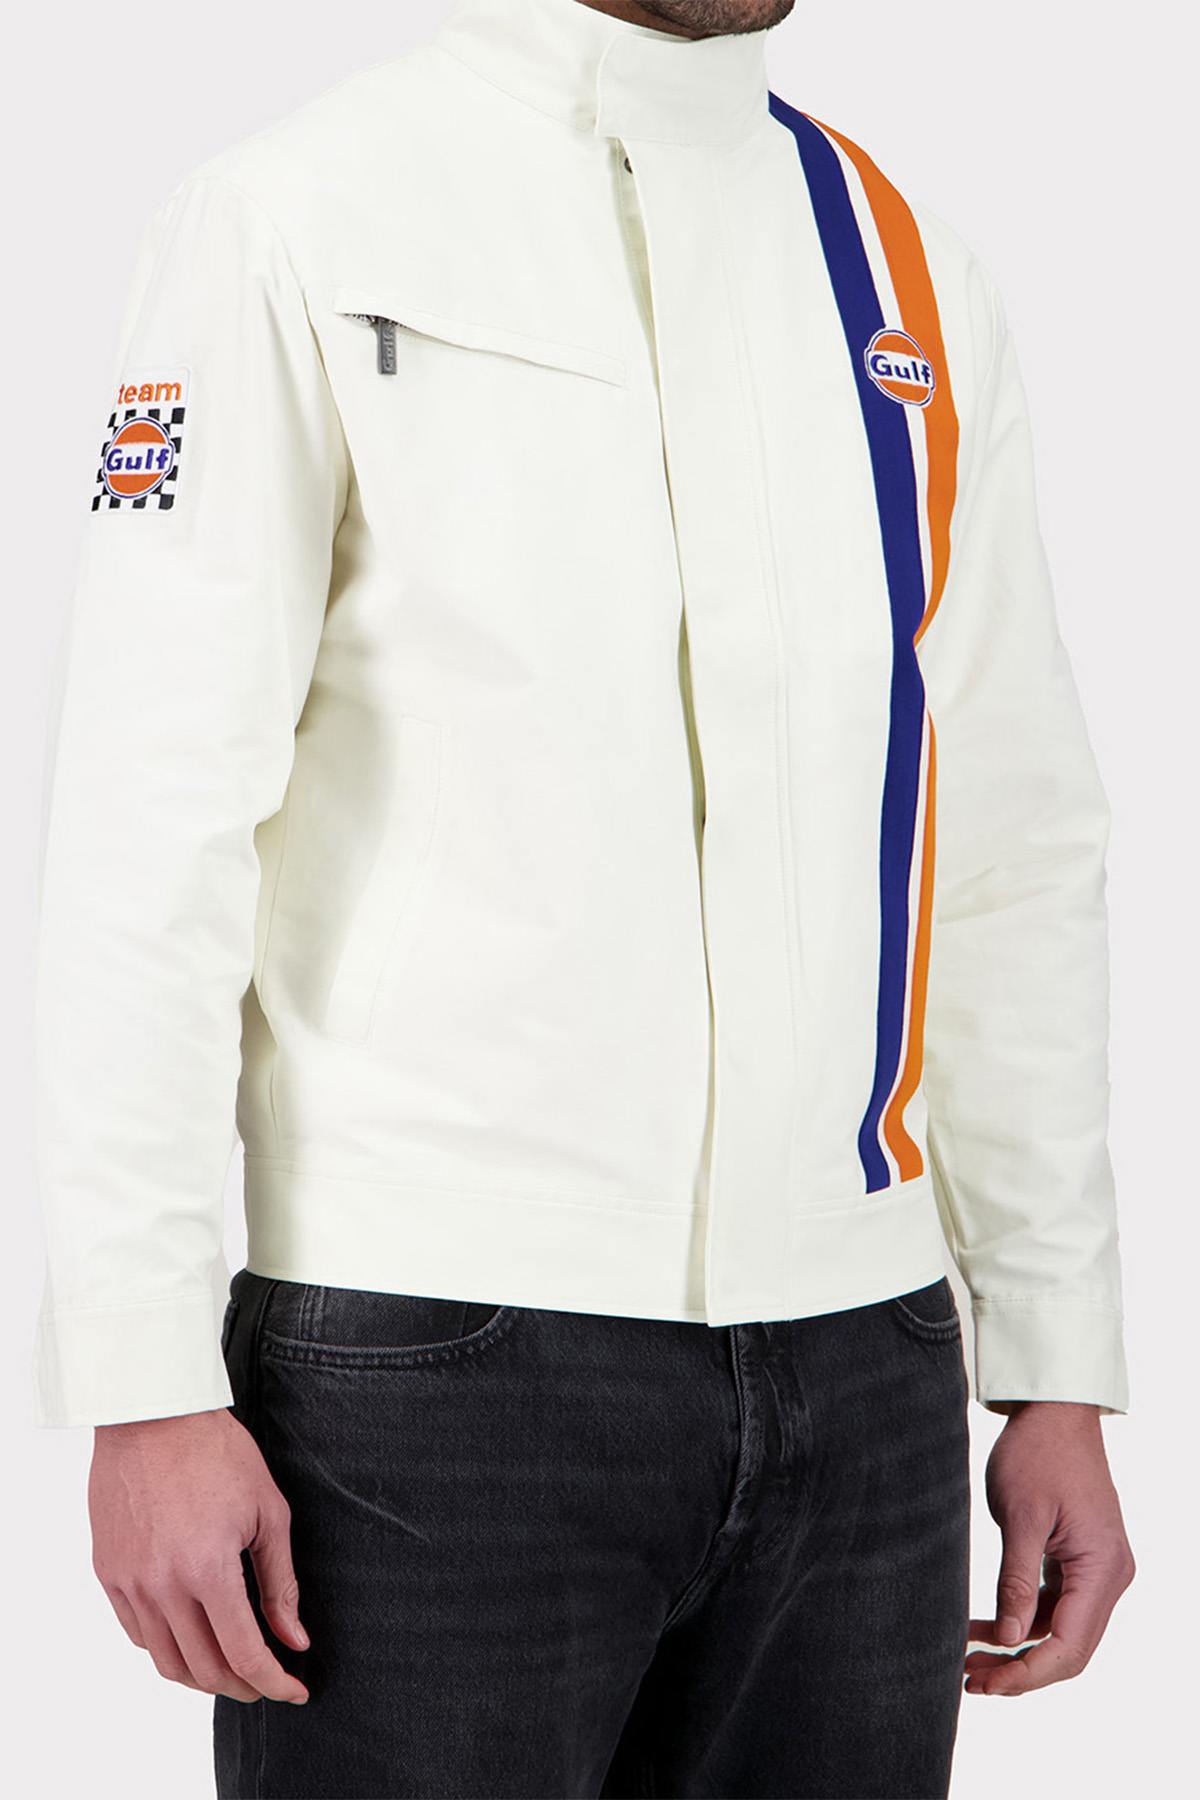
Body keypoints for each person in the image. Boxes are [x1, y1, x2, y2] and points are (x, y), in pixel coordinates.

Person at [32, 0, 1136, 1795]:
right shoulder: (302, 215)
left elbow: (1010, 838)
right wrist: (143, 1381)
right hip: (430, 1371)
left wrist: (1055, 1359)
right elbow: (150, 834)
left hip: (867, 1374)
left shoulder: (904, 267)